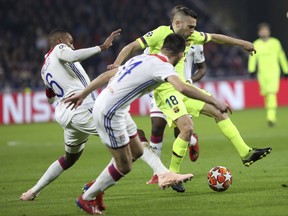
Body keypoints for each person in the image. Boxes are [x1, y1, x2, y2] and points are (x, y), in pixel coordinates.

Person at [107, 6, 272, 193]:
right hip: (165, 90)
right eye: (190, 27)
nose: (193, 31)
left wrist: (242, 43)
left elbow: (217, 37)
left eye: (194, 27)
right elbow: (131, 47)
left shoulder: (191, 37)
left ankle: (246, 153)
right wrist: (116, 65)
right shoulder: (160, 33)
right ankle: (173, 174)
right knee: (186, 128)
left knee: (219, 112)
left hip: (184, 88)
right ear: (177, 23)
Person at [64, 33, 230, 215]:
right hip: (109, 114)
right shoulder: (163, 67)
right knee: (125, 165)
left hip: (113, 107)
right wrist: (214, 101)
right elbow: (182, 88)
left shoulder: (143, 58)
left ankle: (99, 187)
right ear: (181, 55)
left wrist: (83, 94)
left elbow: (107, 75)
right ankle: (87, 198)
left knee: (137, 151)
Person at [19, 28, 121, 201]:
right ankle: (94, 189)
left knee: (69, 158)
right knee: (129, 141)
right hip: (82, 106)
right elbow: (73, 56)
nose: (72, 46)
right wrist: (102, 47)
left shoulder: (44, 69)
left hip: (66, 114)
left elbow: (50, 98)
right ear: (60, 42)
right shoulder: (59, 50)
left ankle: (32, 192)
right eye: (70, 42)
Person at [146, 44, 206, 187]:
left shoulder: (195, 43)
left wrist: (190, 81)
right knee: (156, 127)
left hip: (180, 91)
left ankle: (192, 141)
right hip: (159, 90)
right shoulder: (154, 40)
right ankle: (158, 172)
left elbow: (202, 69)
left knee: (180, 131)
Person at [248, 22, 288, 127]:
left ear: (269, 32)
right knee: (266, 95)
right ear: (259, 33)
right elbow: (252, 57)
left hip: (274, 72)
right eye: (262, 30)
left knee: (271, 93)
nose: (264, 32)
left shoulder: (275, 43)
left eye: (265, 30)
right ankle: (270, 113)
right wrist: (251, 69)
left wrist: (286, 69)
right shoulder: (256, 44)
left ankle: (271, 117)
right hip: (262, 73)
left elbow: (281, 56)